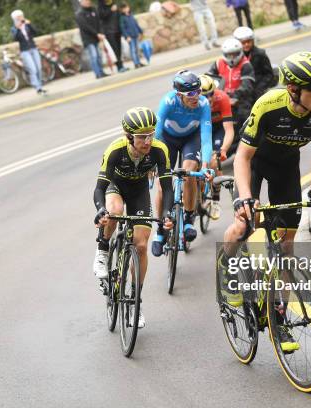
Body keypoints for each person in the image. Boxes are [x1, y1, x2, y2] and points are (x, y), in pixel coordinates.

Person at [217, 52, 311, 352]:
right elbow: (243, 157)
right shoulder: (268, 105)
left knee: (285, 247)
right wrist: (245, 198)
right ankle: (227, 269)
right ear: (294, 90)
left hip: (286, 168)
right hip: (255, 164)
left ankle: (278, 317)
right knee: (244, 223)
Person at [93, 107, 174, 328]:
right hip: (115, 187)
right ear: (129, 136)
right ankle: (102, 250)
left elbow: (167, 188)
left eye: (151, 134)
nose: (147, 141)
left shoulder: (159, 150)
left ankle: (135, 301)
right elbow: (99, 189)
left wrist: (166, 214)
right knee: (114, 212)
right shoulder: (116, 150)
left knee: (140, 245)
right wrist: (101, 211)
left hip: (139, 192)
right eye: (141, 137)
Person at [151, 70, 213, 256]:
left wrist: (206, 165)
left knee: (188, 173)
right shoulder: (168, 101)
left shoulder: (203, 104)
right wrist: (154, 162)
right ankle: (161, 229)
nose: (197, 97)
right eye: (191, 94)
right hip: (167, 140)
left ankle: (187, 218)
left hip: (190, 140)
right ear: (179, 95)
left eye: (199, 91)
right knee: (163, 185)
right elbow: (157, 134)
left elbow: (206, 138)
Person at [207, 38, 255, 146]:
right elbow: (208, 79)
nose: (232, 57)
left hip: (240, 100)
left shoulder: (246, 64)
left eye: (235, 54)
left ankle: (246, 142)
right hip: (220, 99)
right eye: (229, 55)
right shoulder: (218, 63)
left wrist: (235, 96)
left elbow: (246, 85)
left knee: (245, 121)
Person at [200, 74, 234, 219]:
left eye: (211, 94)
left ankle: (215, 200)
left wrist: (223, 150)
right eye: (205, 95)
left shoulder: (222, 98)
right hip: (202, 130)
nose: (209, 99)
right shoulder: (195, 104)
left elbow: (229, 130)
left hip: (218, 129)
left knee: (215, 161)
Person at [233, 26, 275, 100]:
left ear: (253, 41)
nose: (246, 44)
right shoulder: (234, 57)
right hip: (241, 90)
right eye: (243, 42)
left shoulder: (260, 54)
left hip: (257, 89)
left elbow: (269, 74)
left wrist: (259, 88)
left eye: (248, 41)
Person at [10, 10, 47, 94]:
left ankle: (40, 86)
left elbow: (35, 32)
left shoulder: (27, 25)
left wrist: (29, 24)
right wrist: (18, 29)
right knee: (32, 69)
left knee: (38, 68)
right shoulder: (14, 28)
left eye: (21, 16)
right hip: (25, 51)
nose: (21, 18)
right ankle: (37, 88)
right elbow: (15, 38)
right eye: (18, 17)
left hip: (33, 48)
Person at [76, 0, 108, 79]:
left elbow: (99, 23)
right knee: (94, 56)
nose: (88, 2)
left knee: (99, 56)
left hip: (97, 38)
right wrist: (97, 34)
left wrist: (101, 33)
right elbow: (86, 27)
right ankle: (98, 74)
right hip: (88, 39)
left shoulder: (94, 10)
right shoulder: (79, 14)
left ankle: (101, 72)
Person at [99, 1, 127, 73]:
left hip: (117, 30)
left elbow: (119, 16)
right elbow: (101, 16)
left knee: (119, 48)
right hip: (109, 31)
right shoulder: (101, 6)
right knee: (114, 49)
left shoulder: (114, 4)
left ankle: (121, 65)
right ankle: (119, 66)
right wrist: (110, 10)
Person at [120, 2, 144, 68]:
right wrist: (126, 36)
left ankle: (139, 62)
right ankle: (136, 63)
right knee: (133, 50)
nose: (126, 9)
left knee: (137, 49)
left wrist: (140, 32)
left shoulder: (131, 15)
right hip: (130, 36)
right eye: (124, 8)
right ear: (122, 10)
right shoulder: (122, 18)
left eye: (127, 7)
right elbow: (123, 28)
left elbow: (136, 24)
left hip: (135, 34)